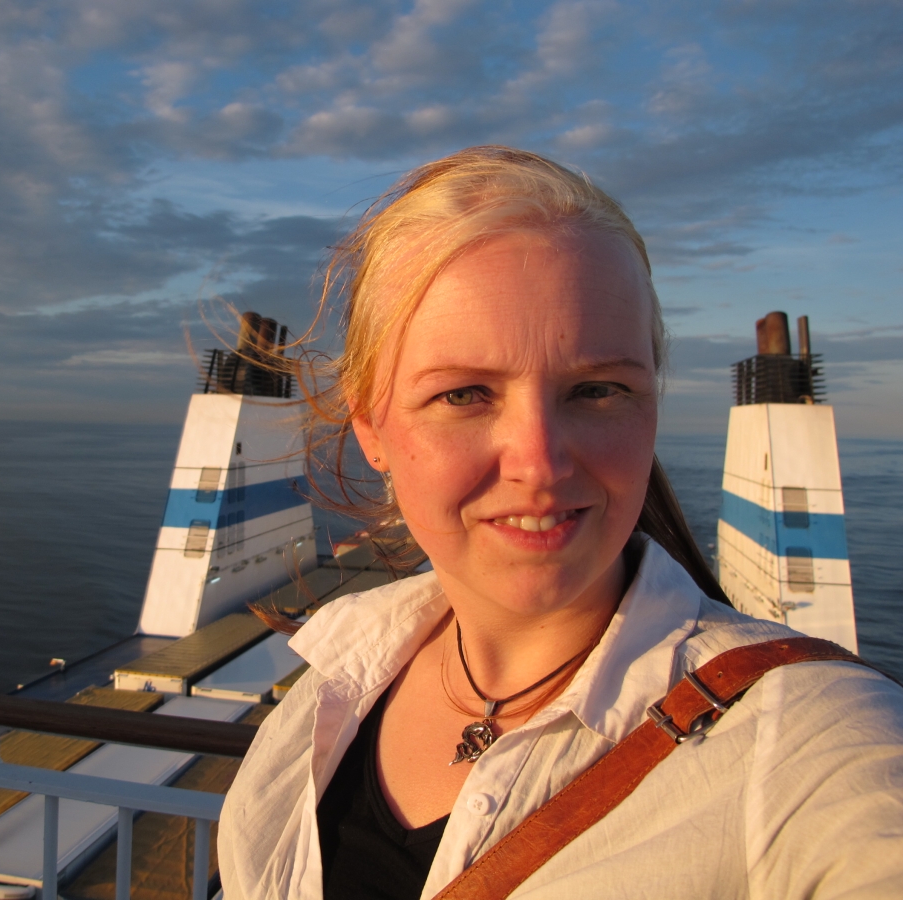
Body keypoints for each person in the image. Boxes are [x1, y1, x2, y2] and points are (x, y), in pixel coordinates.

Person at [216, 147, 903, 899]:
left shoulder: (807, 741)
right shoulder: (326, 698)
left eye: (598, 390)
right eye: (466, 394)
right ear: (371, 427)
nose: (540, 463)